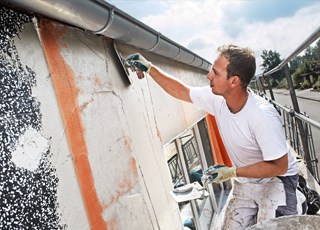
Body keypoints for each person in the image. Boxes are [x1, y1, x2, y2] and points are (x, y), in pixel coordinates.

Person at [126, 44, 300, 229]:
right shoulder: (217, 99)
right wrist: (150, 68)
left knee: (276, 226)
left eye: (215, 73)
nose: (209, 76)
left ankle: (297, 199)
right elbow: (182, 91)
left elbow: (279, 166)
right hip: (246, 180)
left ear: (234, 81)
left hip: (277, 180)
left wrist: (231, 172)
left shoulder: (262, 117)